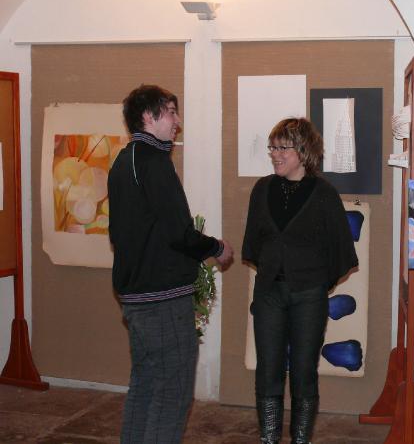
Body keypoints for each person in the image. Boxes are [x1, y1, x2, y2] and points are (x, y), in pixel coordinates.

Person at [108, 84, 233, 443]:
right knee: (172, 394)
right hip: (162, 299)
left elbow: (122, 233)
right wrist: (217, 247)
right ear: (149, 116)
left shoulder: (123, 162)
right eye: (172, 112)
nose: (177, 121)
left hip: (136, 297)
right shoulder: (154, 162)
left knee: (145, 385)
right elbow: (179, 233)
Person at [242, 117, 358, 444]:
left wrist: (316, 283)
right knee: (268, 370)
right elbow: (253, 242)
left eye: (283, 148)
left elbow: (341, 251)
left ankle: (300, 440)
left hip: (309, 295)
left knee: (304, 372)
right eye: (272, 147)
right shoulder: (262, 189)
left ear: (304, 151)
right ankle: (269, 439)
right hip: (269, 293)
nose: (275, 154)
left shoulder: (324, 194)